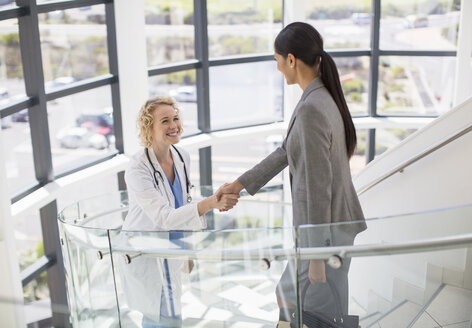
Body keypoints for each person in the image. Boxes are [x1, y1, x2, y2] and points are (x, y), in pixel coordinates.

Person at [217, 22, 367, 326]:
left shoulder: (312, 106)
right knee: (297, 301)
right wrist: (240, 184)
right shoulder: (320, 96)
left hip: (323, 234)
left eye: (276, 60)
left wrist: (315, 258)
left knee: (315, 311)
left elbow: (318, 187)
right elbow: (287, 151)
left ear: (291, 60)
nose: (277, 68)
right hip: (329, 228)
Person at [121, 96, 239, 327]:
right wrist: (211, 203)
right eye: (165, 121)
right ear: (149, 128)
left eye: (175, 118)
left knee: (169, 316)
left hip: (172, 250)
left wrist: (188, 251)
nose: (174, 125)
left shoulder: (181, 157)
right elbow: (164, 217)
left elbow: (182, 204)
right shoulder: (138, 168)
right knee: (161, 317)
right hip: (146, 250)